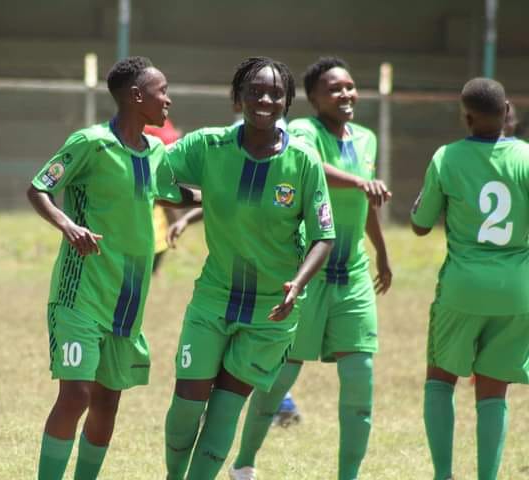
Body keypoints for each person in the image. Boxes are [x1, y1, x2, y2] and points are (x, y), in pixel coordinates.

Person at [163, 56, 335, 480]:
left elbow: (324, 236)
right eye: (255, 90)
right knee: (187, 405)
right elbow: (150, 172)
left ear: (287, 102)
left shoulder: (305, 161)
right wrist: (191, 199)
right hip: (214, 297)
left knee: (224, 412)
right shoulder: (208, 145)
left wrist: (298, 282)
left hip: (271, 311)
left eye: (276, 93)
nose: (265, 98)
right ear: (237, 97)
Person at [27, 56, 197, 480]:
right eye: (162, 92)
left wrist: (223, 192)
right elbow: (39, 188)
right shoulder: (90, 142)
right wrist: (68, 226)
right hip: (81, 292)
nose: (168, 100)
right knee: (77, 394)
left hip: (129, 297)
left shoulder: (156, 150)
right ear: (137, 96)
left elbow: (174, 193)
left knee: (107, 400)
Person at [229, 56, 392, 480]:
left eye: (350, 86)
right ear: (314, 98)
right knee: (281, 377)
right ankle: (244, 463)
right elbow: (314, 167)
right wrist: (359, 182)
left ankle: (348, 476)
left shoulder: (367, 139)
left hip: (352, 273)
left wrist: (382, 253)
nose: (345, 94)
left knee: (361, 379)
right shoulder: (302, 132)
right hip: (308, 271)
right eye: (334, 88)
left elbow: (367, 201)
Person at [411, 77, 529, 480]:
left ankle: (443, 475)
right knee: (494, 391)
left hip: (463, 287)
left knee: (440, 379)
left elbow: (421, 225)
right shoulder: (527, 158)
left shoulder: (447, 157)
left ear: (466, 117)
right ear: (507, 111)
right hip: (516, 289)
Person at [144, 118, 183, 274]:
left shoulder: (161, 119)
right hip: (152, 170)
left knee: (166, 215)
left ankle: (154, 267)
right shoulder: (146, 123)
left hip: (162, 168)